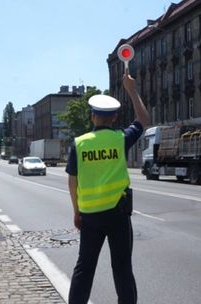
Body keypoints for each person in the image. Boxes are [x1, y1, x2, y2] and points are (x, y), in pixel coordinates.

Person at [66, 71, 149, 304]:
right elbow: (143, 120)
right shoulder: (120, 138)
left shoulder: (79, 144)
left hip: (90, 217)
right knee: (122, 269)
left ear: (93, 116)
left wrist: (76, 211)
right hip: (118, 215)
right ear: (113, 118)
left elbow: (72, 180)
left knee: (84, 269)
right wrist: (131, 90)